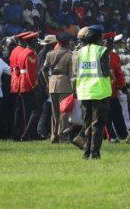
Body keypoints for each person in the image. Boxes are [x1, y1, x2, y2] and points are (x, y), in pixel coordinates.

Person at [74, 25, 111, 159]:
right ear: (99, 38)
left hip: (84, 91)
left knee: (87, 123)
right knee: (98, 125)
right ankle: (94, 153)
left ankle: (86, 152)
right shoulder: (102, 51)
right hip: (99, 91)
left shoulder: (80, 52)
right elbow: (105, 72)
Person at [43, 32, 74, 143]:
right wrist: (74, 88)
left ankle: (53, 135)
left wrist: (47, 82)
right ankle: (63, 136)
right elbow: (71, 74)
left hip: (52, 83)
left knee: (54, 111)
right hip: (64, 84)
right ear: (67, 42)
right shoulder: (70, 55)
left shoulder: (50, 54)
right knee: (64, 112)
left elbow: (44, 69)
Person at [9, 31, 40, 140]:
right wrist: (35, 85)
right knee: (32, 110)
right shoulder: (29, 53)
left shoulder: (19, 51)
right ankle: (27, 133)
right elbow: (30, 72)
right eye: (36, 40)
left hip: (19, 82)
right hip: (26, 84)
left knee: (24, 110)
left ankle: (24, 133)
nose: (37, 42)